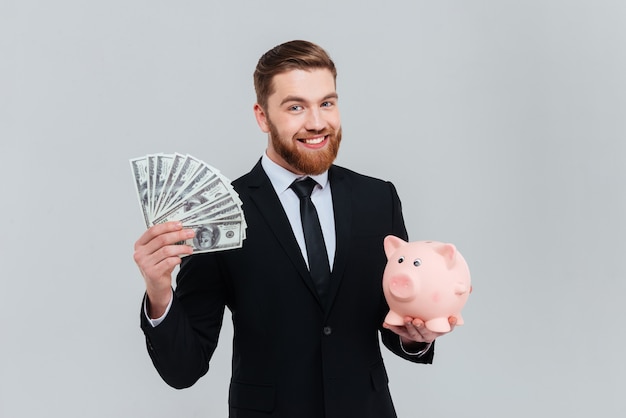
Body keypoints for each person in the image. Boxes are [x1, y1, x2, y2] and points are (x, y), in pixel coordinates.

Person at [133, 40, 457, 418]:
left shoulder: (378, 199)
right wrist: (158, 292)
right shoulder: (218, 214)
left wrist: (415, 337)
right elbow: (184, 369)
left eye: (327, 103)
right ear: (262, 116)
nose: (317, 122)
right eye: (296, 107)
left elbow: (394, 321)